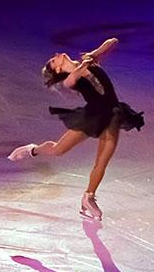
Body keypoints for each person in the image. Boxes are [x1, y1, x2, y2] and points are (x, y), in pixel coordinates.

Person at [8, 38, 144, 220]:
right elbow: (73, 77)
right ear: (58, 70)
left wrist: (106, 46)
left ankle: (89, 197)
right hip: (93, 116)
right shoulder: (70, 81)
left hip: (114, 115)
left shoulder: (89, 60)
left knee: (103, 161)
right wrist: (85, 64)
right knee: (58, 150)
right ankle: (32, 149)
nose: (57, 56)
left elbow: (105, 47)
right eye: (54, 60)